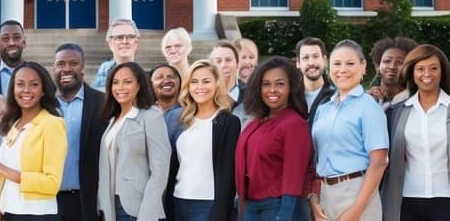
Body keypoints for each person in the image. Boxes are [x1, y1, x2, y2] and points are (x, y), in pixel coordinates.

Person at [380, 45, 450, 221]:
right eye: (420, 69)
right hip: (407, 200)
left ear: (442, 72)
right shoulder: (396, 112)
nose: (427, 74)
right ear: (411, 73)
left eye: (433, 68)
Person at [308, 40, 388, 221]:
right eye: (337, 64)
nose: (342, 69)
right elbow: (316, 159)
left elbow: (379, 163)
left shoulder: (369, 107)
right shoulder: (323, 108)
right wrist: (313, 198)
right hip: (324, 196)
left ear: (363, 67)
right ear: (329, 68)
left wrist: (356, 209)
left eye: (350, 63)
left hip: (357, 194)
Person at [0, 62, 66, 221]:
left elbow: (52, 183)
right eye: (20, 84)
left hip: (36, 215)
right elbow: (7, 171)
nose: (26, 90)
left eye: (33, 84)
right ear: (13, 89)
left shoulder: (52, 124)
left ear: (43, 90)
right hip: (7, 212)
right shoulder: (13, 124)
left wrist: (5, 171)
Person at [233, 57, 309, 221]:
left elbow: (294, 175)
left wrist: (284, 214)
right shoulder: (257, 121)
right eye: (266, 84)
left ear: (291, 88)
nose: (272, 90)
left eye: (280, 84)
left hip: (276, 207)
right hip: (249, 205)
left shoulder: (294, 123)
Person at [164, 60, 237, 221]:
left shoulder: (228, 122)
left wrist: (221, 212)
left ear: (217, 83)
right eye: (194, 82)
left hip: (208, 204)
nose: (200, 87)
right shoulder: (181, 120)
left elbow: (228, 172)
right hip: (178, 199)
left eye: (206, 81)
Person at [97, 62, 170, 221]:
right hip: (110, 205)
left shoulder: (151, 116)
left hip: (137, 207)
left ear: (139, 85)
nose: (120, 87)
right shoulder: (113, 120)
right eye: (115, 82)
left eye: (127, 82)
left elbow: (160, 171)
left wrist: (147, 214)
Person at [53, 44, 106, 221]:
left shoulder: (102, 103)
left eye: (73, 63)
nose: (66, 69)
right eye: (61, 64)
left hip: (87, 200)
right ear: (54, 68)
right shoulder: (43, 104)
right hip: (48, 199)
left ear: (83, 68)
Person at [369, 37, 417, 109]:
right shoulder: (365, 98)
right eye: (387, 61)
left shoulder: (415, 101)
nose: (392, 66)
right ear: (378, 66)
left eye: (400, 62)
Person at [95, 19, 141, 88]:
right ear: (110, 43)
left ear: (136, 42)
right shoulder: (104, 70)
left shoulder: (143, 75)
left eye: (130, 37)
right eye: (119, 37)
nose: (125, 41)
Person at [0, 21, 26, 96]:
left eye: (16, 37)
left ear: (24, 42)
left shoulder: (36, 74)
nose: (11, 43)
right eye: (5, 38)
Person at [295, 38, 328, 108]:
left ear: (324, 60)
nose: (311, 63)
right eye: (305, 57)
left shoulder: (338, 94)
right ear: (298, 63)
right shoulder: (290, 96)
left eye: (315, 56)